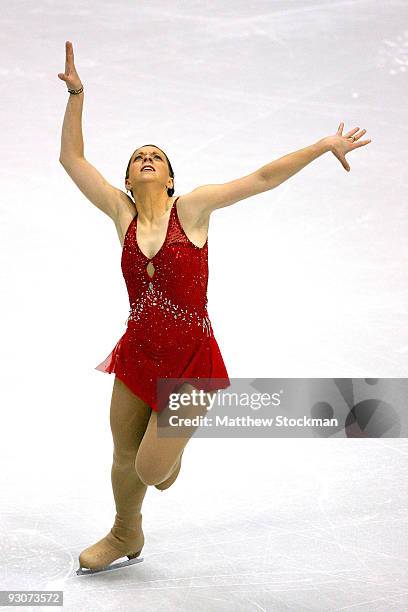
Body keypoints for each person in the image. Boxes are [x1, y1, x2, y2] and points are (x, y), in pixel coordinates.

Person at [58, 41, 371, 574]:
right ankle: (123, 532)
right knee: (121, 459)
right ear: (129, 180)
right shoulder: (121, 215)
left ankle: (168, 458)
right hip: (137, 353)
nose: (146, 158)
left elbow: (262, 178)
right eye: (137, 157)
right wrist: (77, 95)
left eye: (156, 155)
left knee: (152, 469)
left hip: (191, 368)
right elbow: (71, 159)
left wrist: (323, 145)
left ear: (172, 178)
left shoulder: (193, 209)